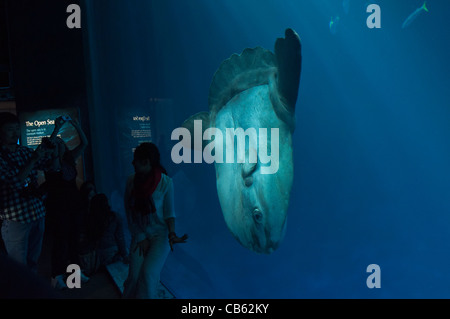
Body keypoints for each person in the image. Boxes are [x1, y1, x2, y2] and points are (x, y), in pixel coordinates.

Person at [123, 142, 187, 299]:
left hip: (160, 236)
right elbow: (129, 213)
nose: (133, 163)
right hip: (140, 235)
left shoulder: (166, 183)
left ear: (146, 162)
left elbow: (169, 213)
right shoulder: (131, 181)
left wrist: (172, 234)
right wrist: (140, 236)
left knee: (149, 274)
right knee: (133, 277)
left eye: (136, 160)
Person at [0, 112, 53, 273]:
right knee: (18, 268)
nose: (15, 133)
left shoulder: (24, 151)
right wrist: (33, 160)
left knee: (32, 261)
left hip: (37, 213)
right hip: (16, 219)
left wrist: (54, 151)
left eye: (17, 128)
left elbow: (49, 166)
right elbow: (15, 184)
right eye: (10, 129)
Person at [42, 115, 89, 289]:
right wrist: (57, 129)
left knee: (74, 239)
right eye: (57, 144)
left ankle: (75, 274)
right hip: (58, 207)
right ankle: (56, 275)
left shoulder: (69, 159)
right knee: (61, 241)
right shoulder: (50, 163)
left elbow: (84, 143)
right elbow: (48, 145)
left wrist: (77, 125)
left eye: (62, 143)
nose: (59, 145)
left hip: (73, 205)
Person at [81, 193, 128, 275]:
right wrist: (125, 255)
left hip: (96, 256)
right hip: (112, 253)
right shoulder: (115, 217)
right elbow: (120, 238)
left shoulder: (89, 219)